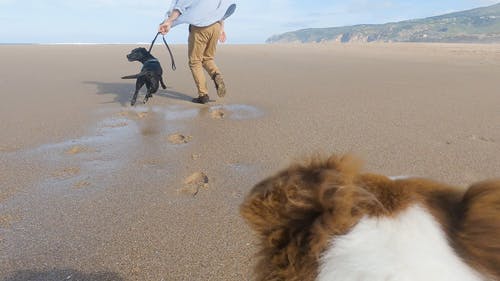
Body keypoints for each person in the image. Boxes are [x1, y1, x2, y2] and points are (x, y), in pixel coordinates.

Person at [159, 0, 237, 104]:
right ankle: (216, 75)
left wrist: (169, 21)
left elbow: (180, 6)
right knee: (207, 58)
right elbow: (221, 12)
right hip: (216, 26)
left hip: (201, 27)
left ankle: (203, 95)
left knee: (195, 61)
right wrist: (221, 30)